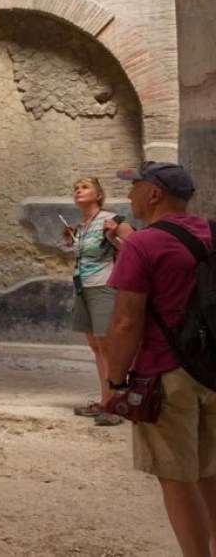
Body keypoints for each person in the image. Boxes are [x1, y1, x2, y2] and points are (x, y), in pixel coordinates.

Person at [102, 162, 214, 557]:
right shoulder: (211, 232)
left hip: (167, 373)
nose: (129, 193)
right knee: (210, 470)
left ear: (154, 194)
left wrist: (115, 382)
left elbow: (126, 321)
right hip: (212, 369)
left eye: (134, 186)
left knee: (176, 477)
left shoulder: (143, 244)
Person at [63, 177, 133, 427]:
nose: (78, 191)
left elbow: (135, 251)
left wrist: (113, 238)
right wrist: (71, 240)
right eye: (76, 188)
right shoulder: (81, 226)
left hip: (104, 285)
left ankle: (117, 404)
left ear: (99, 195)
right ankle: (105, 401)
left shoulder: (112, 220)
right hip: (83, 287)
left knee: (109, 346)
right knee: (96, 346)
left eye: (84, 187)